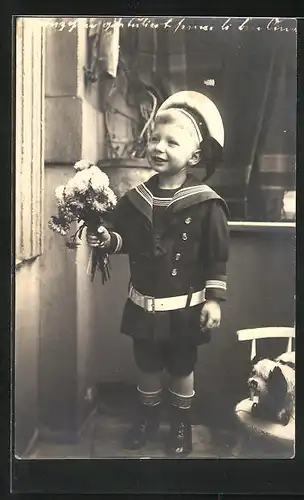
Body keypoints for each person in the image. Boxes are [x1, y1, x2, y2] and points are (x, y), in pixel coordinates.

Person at [87, 91, 230, 456]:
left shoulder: (206, 202)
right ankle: (148, 419)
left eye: (172, 142)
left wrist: (214, 301)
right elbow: (126, 241)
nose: (159, 147)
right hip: (143, 305)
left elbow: (216, 256)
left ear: (194, 156)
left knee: (182, 366)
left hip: (184, 308)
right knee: (146, 364)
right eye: (154, 138)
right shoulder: (135, 198)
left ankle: (180, 426)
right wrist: (105, 239)